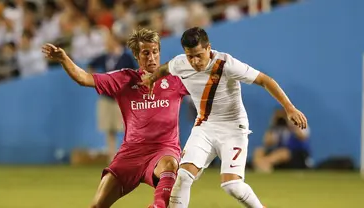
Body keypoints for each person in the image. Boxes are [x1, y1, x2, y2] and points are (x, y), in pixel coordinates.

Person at [140, 27, 307, 208]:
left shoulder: (226, 64)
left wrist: (290, 108)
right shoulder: (180, 63)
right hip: (204, 126)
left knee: (232, 185)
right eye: (190, 56)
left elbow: (265, 80)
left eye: (198, 55)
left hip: (233, 128)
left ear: (208, 48)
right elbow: (165, 68)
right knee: (183, 176)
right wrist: (152, 79)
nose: (194, 61)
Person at [42, 28, 189, 208]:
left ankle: (157, 206)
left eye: (155, 52)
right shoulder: (124, 79)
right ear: (136, 55)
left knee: (170, 164)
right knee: (97, 205)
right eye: (145, 53)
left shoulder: (175, 79)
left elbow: (206, 89)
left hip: (163, 150)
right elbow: (85, 79)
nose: (151, 57)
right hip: (131, 154)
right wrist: (64, 59)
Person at [88, 33, 137, 163]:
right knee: (109, 130)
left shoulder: (126, 57)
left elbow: (135, 75)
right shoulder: (105, 57)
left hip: (121, 98)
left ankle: (128, 156)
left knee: (127, 129)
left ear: (115, 41)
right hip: (106, 98)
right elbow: (90, 65)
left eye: (108, 41)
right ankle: (112, 157)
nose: (106, 43)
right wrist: (98, 81)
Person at [253, 108, 311, 173]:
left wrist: (292, 124)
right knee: (259, 150)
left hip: (296, 154)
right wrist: (273, 125)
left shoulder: (299, 123)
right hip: (278, 153)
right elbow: (267, 142)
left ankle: (263, 164)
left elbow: (303, 137)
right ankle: (263, 167)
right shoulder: (277, 128)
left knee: (283, 152)